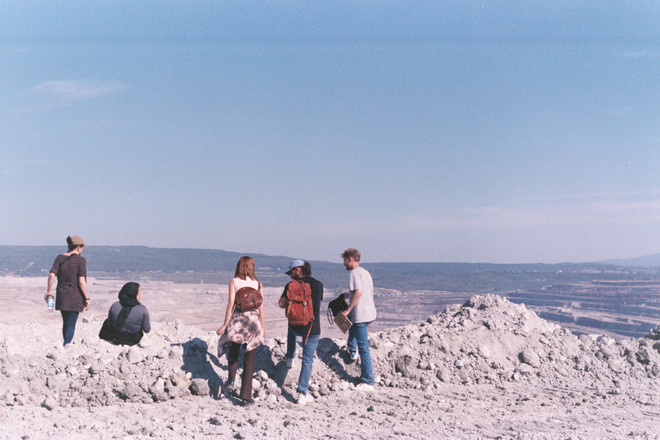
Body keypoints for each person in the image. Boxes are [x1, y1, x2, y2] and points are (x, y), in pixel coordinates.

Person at [216, 256, 265, 405]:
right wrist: (263, 327)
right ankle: (246, 397)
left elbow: (231, 304)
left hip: (238, 321)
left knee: (233, 353)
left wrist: (225, 324)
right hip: (253, 323)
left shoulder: (234, 282)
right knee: (249, 361)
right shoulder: (258, 284)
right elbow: (261, 308)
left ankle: (231, 380)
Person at [278, 259, 323, 406]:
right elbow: (317, 305)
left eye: (291, 272)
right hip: (312, 327)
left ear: (298, 270)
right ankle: (302, 393)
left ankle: (290, 357)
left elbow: (281, 304)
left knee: (291, 327)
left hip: (295, 325)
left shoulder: (290, 286)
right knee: (307, 359)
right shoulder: (318, 285)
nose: (290, 276)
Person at [339, 248, 377, 391]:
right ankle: (352, 350)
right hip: (370, 312)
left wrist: (348, 309)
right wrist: (348, 296)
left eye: (345, 261)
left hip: (361, 315)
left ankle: (368, 381)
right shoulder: (365, 273)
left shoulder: (354, 273)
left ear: (350, 259)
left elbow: (359, 292)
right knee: (353, 328)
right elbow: (361, 292)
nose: (344, 265)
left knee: (364, 348)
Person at [45, 235, 90, 346]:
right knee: (71, 323)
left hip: (62, 295)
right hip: (75, 296)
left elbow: (51, 275)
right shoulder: (81, 260)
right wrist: (87, 298)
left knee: (66, 321)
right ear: (79, 247)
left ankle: (65, 344)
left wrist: (49, 291)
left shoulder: (60, 258)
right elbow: (81, 281)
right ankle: (67, 345)